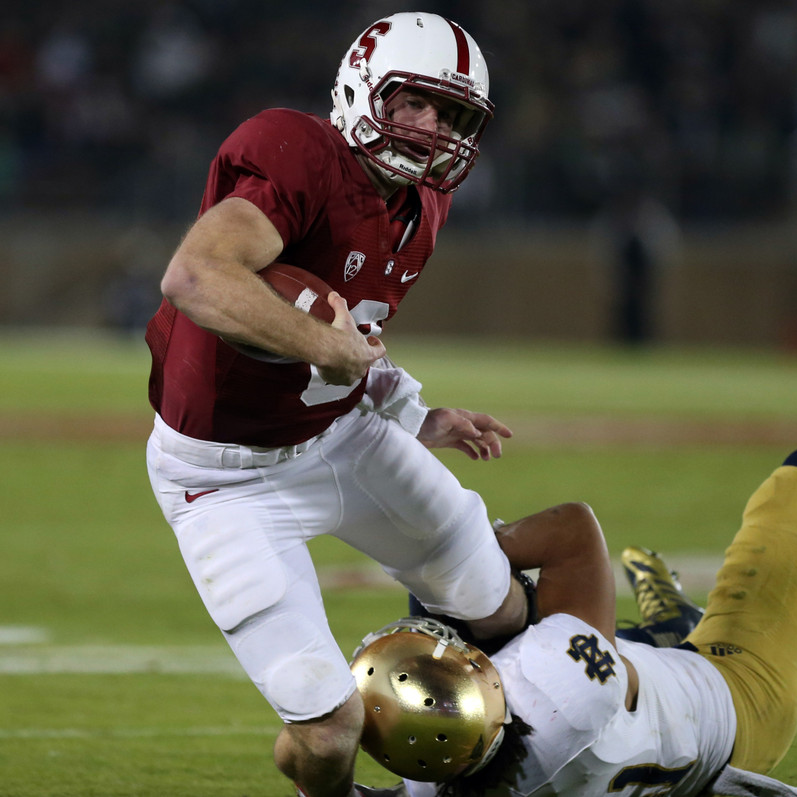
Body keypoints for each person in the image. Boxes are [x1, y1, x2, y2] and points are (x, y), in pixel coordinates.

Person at [143, 13, 529, 797]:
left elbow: (353, 325)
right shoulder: (298, 152)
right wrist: (322, 345)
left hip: (340, 434)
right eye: (416, 104)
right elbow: (196, 276)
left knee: (497, 603)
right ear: (364, 85)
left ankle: (511, 757)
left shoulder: (423, 203)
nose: (434, 132)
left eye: (454, 117)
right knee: (327, 731)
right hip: (224, 479)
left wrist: (415, 412)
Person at [350, 438, 797, 797]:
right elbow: (574, 534)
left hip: (642, 719)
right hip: (741, 693)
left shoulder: (430, 774)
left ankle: (665, 632)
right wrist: (465, 550)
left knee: (485, 607)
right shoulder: (558, 685)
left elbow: (311, 749)